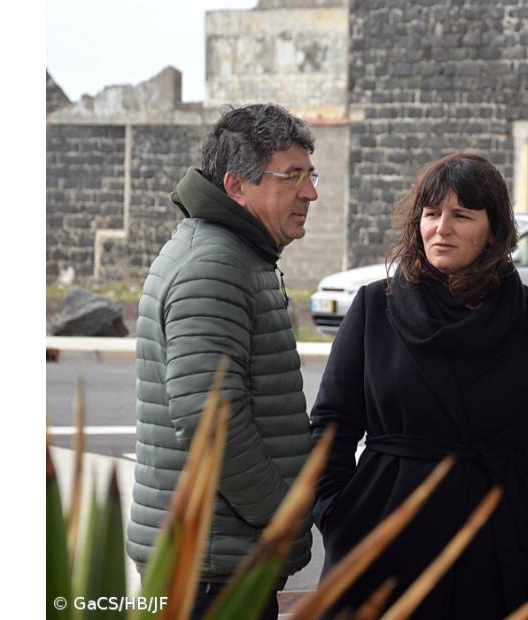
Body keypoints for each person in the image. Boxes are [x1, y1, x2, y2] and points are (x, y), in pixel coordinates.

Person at [310, 153, 528, 618]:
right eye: (431, 213)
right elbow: (331, 423)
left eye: (462, 215)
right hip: (380, 534)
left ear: (494, 229)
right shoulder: (374, 307)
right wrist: (337, 513)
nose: (442, 228)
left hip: (497, 544)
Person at [128, 103, 319, 619]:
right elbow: (209, 419)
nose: (310, 193)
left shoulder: (236, 254)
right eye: (292, 176)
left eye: (311, 175)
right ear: (236, 186)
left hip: (217, 557)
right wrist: (279, 516)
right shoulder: (214, 264)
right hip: (210, 569)